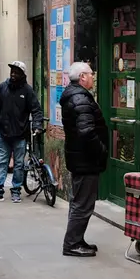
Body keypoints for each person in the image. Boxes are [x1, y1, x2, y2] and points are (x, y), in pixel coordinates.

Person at [59, 62, 108, 257]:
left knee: (79, 201)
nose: (93, 77)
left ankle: (76, 240)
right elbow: (87, 131)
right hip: (86, 159)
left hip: (80, 158)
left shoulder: (75, 95)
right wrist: (101, 150)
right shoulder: (80, 98)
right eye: (91, 74)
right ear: (82, 77)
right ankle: (71, 244)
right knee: (83, 204)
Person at [0, 61, 44, 203]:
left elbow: (36, 110)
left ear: (23, 74)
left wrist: (37, 125)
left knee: (19, 164)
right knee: (2, 162)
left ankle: (16, 191)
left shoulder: (27, 90)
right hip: (4, 132)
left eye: (16, 72)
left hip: (20, 134)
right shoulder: (2, 88)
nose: (13, 74)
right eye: (12, 71)